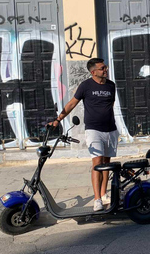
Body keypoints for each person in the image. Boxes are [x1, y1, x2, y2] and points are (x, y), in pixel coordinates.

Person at [49, 58, 118, 212]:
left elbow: (110, 105)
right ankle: (97, 199)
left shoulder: (111, 85)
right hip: (94, 130)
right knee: (97, 164)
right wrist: (58, 119)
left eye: (105, 67)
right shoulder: (85, 86)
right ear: (93, 72)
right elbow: (72, 103)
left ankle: (104, 194)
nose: (105, 70)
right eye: (102, 68)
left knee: (107, 163)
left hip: (111, 129)